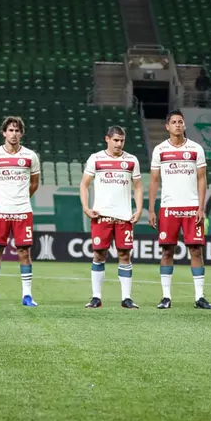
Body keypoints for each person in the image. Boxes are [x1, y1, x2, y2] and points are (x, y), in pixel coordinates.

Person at [148, 110, 211, 310]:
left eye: (181, 122)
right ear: (167, 126)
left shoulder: (196, 149)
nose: (178, 125)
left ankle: (199, 297)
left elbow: (202, 178)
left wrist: (201, 207)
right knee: (167, 250)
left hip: (191, 206)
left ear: (184, 125)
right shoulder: (160, 150)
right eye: (174, 122)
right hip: (169, 206)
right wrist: (151, 209)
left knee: (196, 250)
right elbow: (153, 180)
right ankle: (166, 297)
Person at [79, 125, 143, 309]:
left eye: (122, 140)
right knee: (99, 254)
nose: (119, 144)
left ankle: (126, 298)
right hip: (102, 216)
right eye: (116, 140)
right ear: (107, 139)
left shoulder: (131, 160)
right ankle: (96, 297)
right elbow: (84, 184)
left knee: (124, 254)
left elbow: (138, 186)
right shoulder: (96, 159)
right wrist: (86, 207)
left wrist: (139, 209)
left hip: (123, 217)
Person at [0, 116, 41, 306]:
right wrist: (1, 198)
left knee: (24, 252)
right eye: (10, 130)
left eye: (17, 130)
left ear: (21, 133)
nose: (13, 134)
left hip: (22, 211)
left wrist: (20, 198)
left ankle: (27, 296)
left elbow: (34, 184)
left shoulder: (30, 157)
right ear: (4, 132)